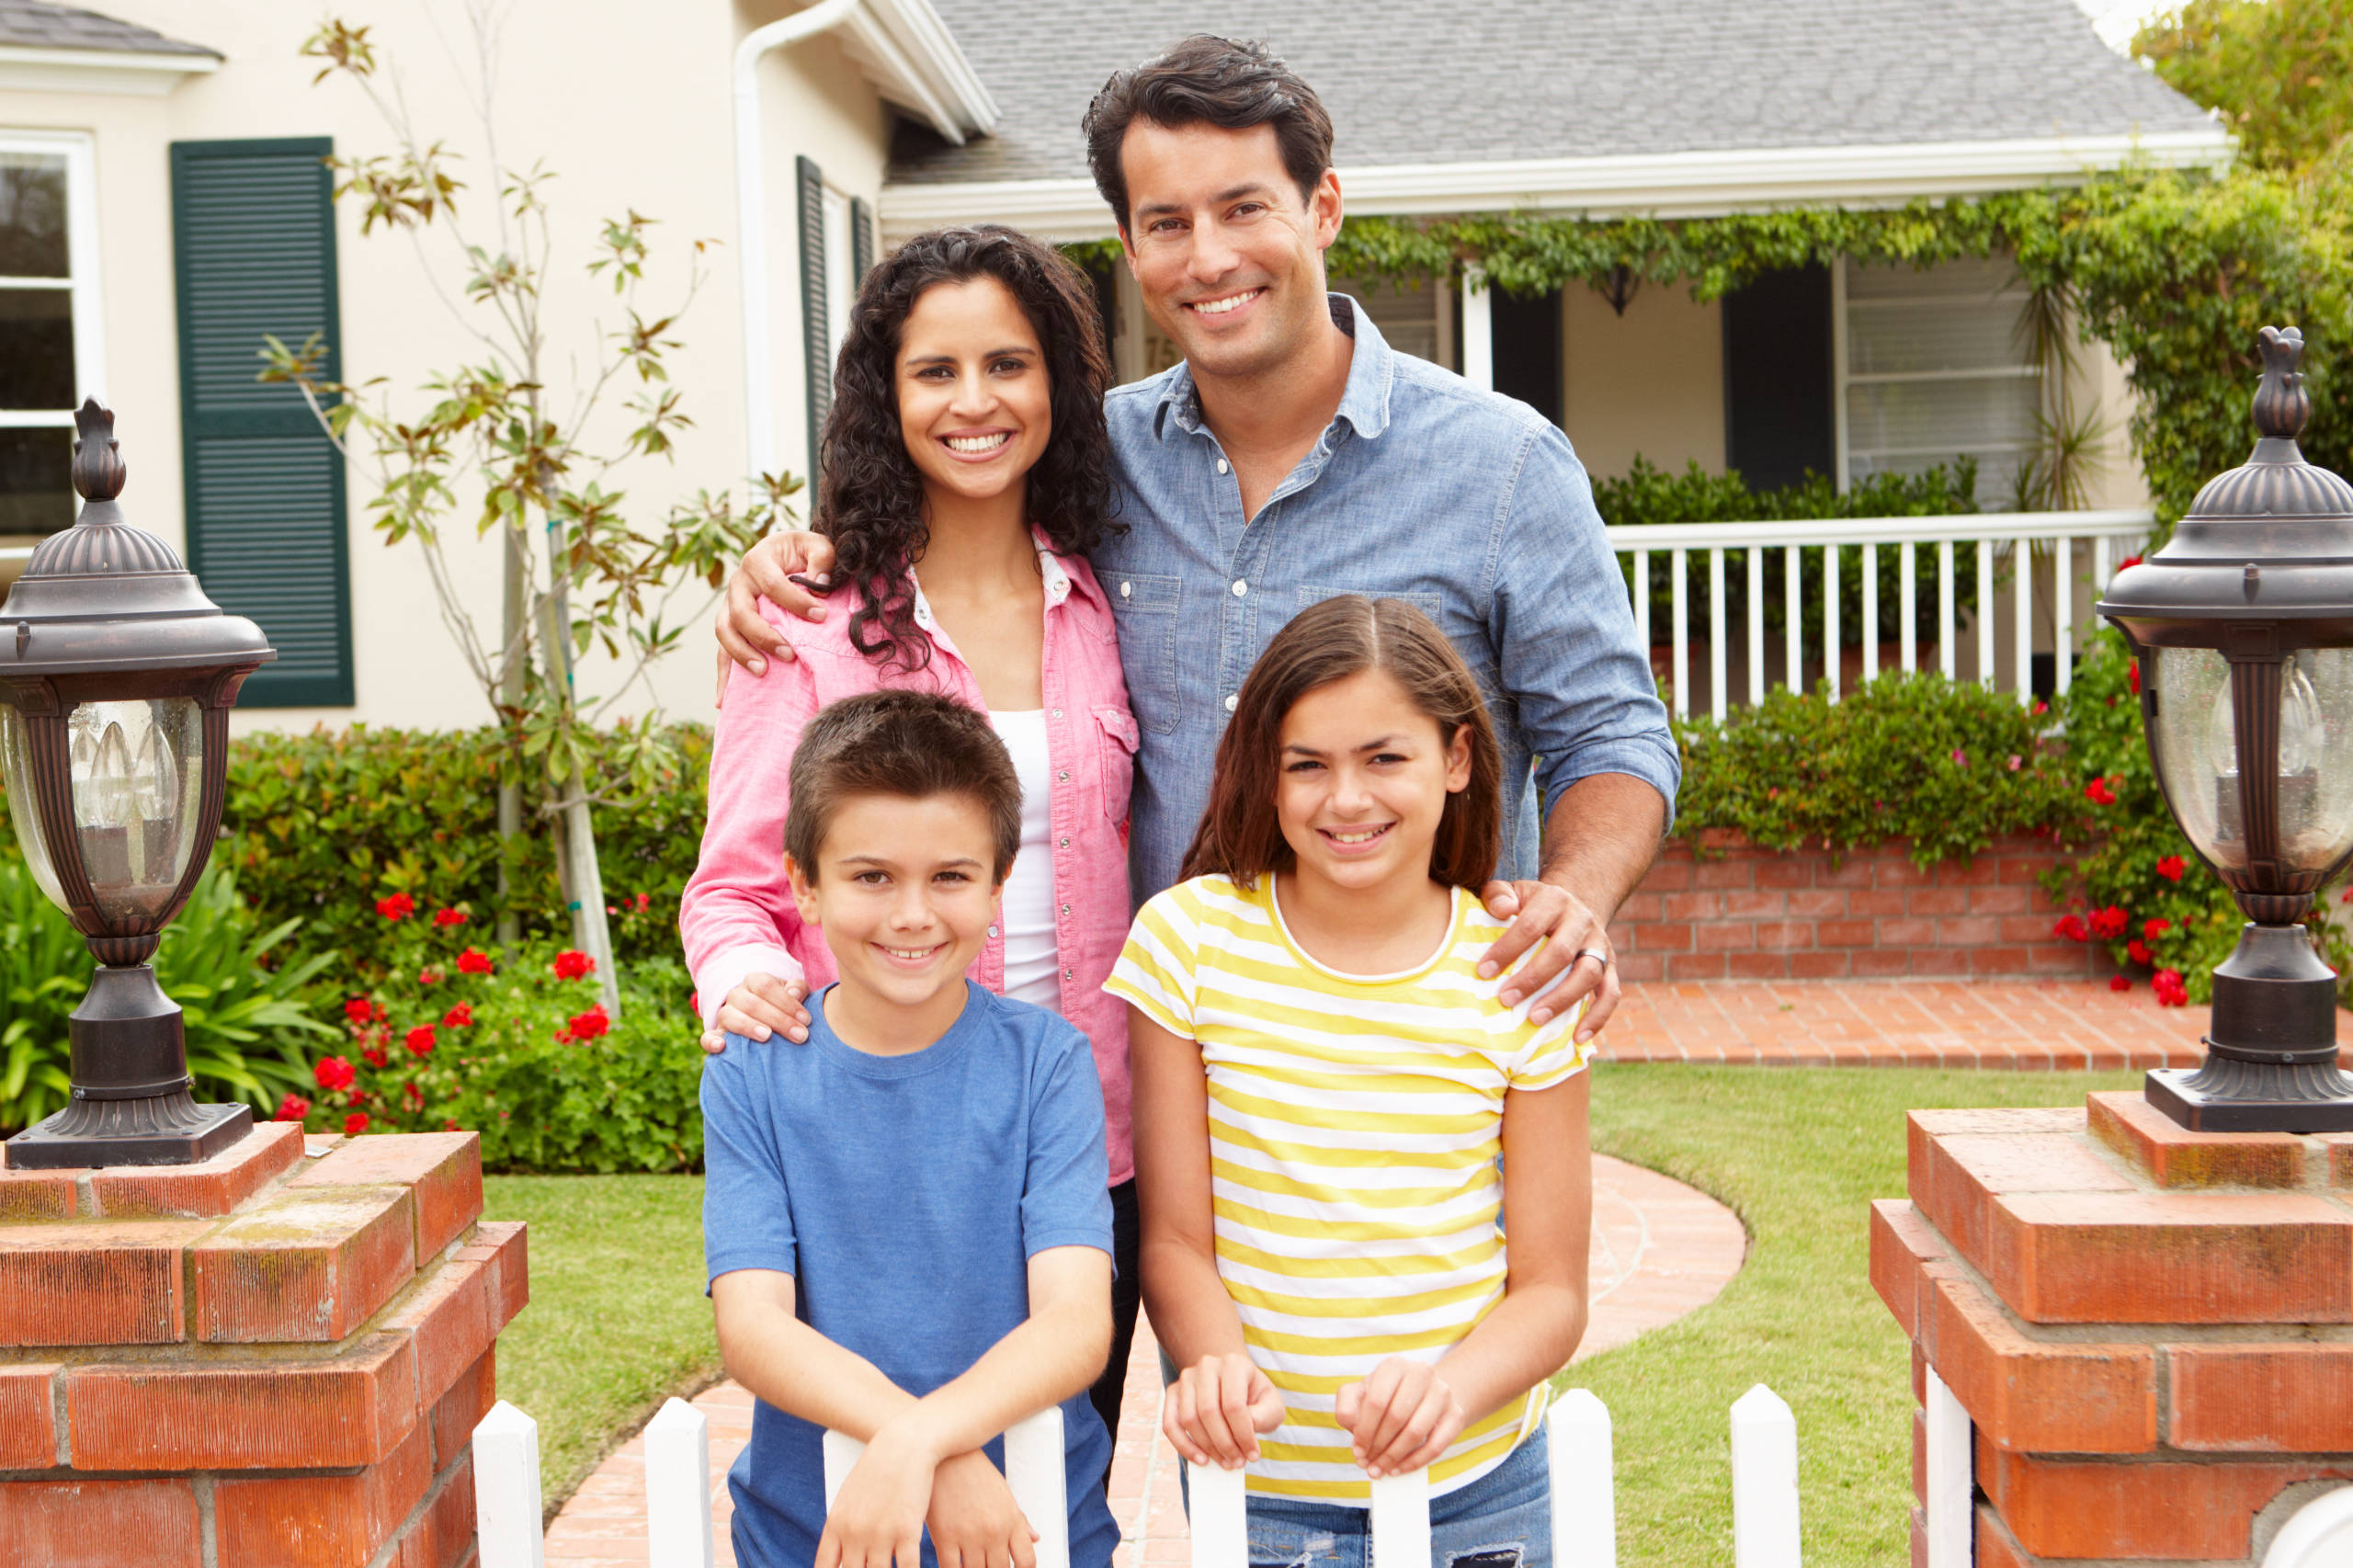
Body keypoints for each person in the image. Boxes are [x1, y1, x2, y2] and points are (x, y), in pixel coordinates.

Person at [712, 35, 1677, 1060]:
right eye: (1167, 223)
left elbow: (1611, 733)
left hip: (1413, 1059)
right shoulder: (1093, 457)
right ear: (1130, 249)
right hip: (1158, 1063)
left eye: (1243, 207)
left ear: (1324, 207)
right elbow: (948, 477)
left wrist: (1571, 897)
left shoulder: (1502, 466)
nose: (1208, 258)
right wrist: (796, 561)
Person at [681, 225, 1145, 1440]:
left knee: (1051, 1487)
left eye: (1008, 363)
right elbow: (732, 891)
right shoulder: (809, 623)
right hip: (886, 1151)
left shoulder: (1108, 597)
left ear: (1057, 381)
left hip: (1089, 1136)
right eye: (935, 371)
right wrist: (753, 988)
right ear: (886, 398)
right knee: (891, 1479)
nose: (975, 401)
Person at [1108, 596, 1591, 1566]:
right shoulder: (1187, 941)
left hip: (1478, 1483)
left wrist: (1447, 1391)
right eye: (1307, 764)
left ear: (1455, 759)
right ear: (1267, 773)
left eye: (1384, 757)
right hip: (1266, 1492)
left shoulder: (1518, 972)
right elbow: (1171, 1238)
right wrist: (1214, 1365)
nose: (1347, 799)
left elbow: (1551, 1289)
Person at [702, 690, 1121, 1568]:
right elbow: (754, 1329)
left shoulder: (1049, 1063)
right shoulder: (753, 1073)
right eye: (871, 876)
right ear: (803, 888)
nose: (912, 915)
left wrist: (918, 1441)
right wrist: (924, 1442)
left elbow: (1077, 1323)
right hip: (810, 1533)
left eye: (951, 877)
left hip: (1031, 1524)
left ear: (1000, 887)